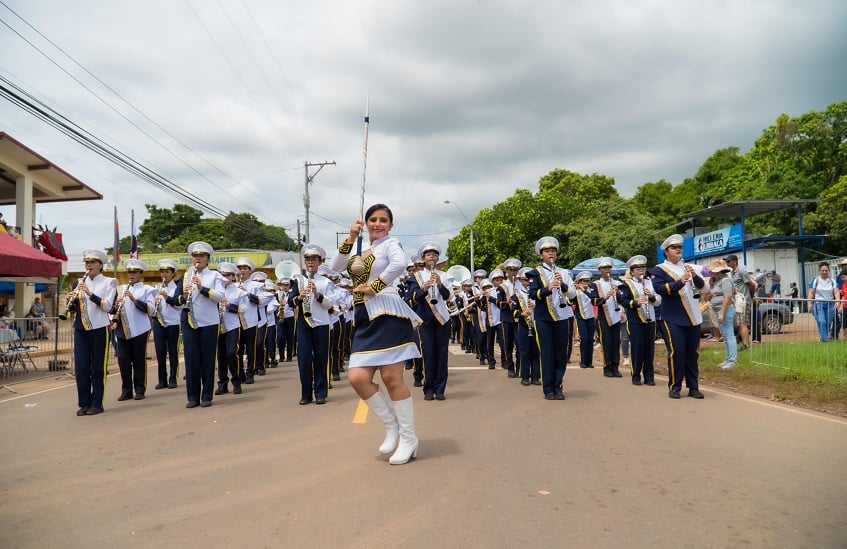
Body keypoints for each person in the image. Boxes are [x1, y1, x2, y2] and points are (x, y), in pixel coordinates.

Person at [329, 203, 423, 465]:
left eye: (383, 220)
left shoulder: (391, 244)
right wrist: (350, 238)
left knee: (392, 378)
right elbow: (336, 267)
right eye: (373, 219)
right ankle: (392, 426)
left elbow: (399, 265)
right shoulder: (358, 246)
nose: (377, 224)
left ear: (391, 225)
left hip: (388, 313)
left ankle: (408, 437)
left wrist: (375, 285)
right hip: (363, 317)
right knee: (357, 377)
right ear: (366, 222)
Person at [650, 234, 706, 399]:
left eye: (679, 247)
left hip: (693, 317)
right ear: (667, 251)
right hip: (673, 317)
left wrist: (694, 276)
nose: (678, 250)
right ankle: (675, 386)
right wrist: (681, 282)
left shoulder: (689, 267)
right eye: (674, 248)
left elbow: (704, 289)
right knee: (677, 352)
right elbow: (661, 289)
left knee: (692, 352)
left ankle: (693, 386)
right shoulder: (659, 270)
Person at [290, 244, 344, 405]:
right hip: (303, 324)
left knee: (321, 358)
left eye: (314, 259)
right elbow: (290, 303)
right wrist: (299, 297)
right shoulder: (297, 280)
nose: (310, 262)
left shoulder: (326, 282)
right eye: (307, 259)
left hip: (321, 324)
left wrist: (317, 294)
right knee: (304, 359)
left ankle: (320, 392)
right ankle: (306, 394)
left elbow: (330, 306)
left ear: (320, 262)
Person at [66, 249, 117, 416]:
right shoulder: (78, 283)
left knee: (97, 367)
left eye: (92, 262)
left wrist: (89, 293)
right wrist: (70, 302)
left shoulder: (109, 282)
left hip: (99, 328)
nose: (88, 265)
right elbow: (75, 309)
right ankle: (84, 403)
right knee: (81, 367)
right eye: (87, 263)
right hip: (81, 328)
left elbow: (108, 306)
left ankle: (97, 403)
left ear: (100, 265)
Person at [527, 236, 576, 400]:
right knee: (547, 353)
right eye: (547, 251)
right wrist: (548, 288)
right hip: (543, 318)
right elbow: (533, 294)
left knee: (561, 354)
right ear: (541, 255)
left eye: (553, 251)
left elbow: (573, 294)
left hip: (562, 317)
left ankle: (558, 386)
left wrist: (562, 285)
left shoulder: (564, 272)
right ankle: (548, 388)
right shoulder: (534, 273)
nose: (551, 254)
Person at [179, 241, 225, 408]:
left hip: (209, 323)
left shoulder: (215, 276)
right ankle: (192, 397)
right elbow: (176, 300)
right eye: (195, 256)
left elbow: (220, 297)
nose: (197, 258)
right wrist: (183, 296)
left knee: (207, 360)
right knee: (191, 360)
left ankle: (206, 396)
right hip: (189, 321)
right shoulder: (185, 276)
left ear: (207, 259)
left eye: (201, 256)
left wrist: (202, 288)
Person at [405, 242, 454, 400]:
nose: (431, 256)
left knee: (442, 354)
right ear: (423, 259)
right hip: (425, 320)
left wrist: (439, 284)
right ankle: (428, 389)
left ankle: (440, 389)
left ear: (438, 258)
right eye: (428, 254)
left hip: (442, 319)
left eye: (434, 254)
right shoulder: (416, 277)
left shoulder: (444, 276)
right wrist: (424, 289)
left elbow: (448, 297)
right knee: (428, 354)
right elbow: (411, 299)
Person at [113, 259, 155, 402]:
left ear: (140, 274)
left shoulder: (147, 289)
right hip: (122, 329)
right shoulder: (120, 289)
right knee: (123, 360)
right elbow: (112, 309)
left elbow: (151, 309)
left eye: (134, 272)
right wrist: (116, 305)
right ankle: (126, 390)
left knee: (138, 360)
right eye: (129, 272)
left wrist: (135, 300)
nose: (131, 274)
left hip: (140, 329)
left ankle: (139, 389)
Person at [619, 255, 661, 386]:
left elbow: (658, 301)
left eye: (643, 268)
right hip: (635, 320)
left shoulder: (650, 282)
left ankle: (649, 376)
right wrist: (636, 302)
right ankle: (636, 375)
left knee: (649, 349)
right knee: (637, 348)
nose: (641, 271)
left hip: (650, 319)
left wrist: (652, 296)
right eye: (638, 269)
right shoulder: (626, 284)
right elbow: (624, 301)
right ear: (632, 271)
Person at [215, 262, 247, 395]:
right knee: (221, 356)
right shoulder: (216, 290)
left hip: (233, 326)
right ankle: (222, 384)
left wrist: (229, 306)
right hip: (218, 325)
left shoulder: (239, 292)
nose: (224, 277)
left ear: (233, 277)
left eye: (227, 275)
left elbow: (243, 309)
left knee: (231, 353)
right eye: (222, 275)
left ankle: (237, 380)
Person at [152, 259, 182, 389]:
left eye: (167, 272)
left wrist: (166, 298)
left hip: (173, 322)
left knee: (173, 352)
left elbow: (179, 306)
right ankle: (162, 379)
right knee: (160, 352)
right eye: (162, 272)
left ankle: (173, 378)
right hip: (158, 321)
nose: (164, 274)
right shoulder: (157, 287)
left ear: (172, 273)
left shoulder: (176, 288)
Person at [594, 257, 623, 378]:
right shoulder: (596, 284)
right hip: (603, 316)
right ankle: (607, 367)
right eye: (604, 268)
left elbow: (624, 299)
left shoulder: (617, 283)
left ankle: (615, 366)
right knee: (606, 342)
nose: (607, 270)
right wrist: (605, 297)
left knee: (616, 342)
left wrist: (618, 294)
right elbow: (593, 301)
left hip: (616, 315)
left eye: (609, 267)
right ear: (599, 270)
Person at [512, 267, 540, 385]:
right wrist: (521, 313)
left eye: (530, 280)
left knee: (536, 351)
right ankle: (524, 376)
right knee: (524, 351)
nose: (528, 282)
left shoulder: (537, 293)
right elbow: (513, 311)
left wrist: (535, 307)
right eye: (525, 280)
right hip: (524, 325)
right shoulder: (517, 295)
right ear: (521, 281)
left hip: (536, 323)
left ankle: (535, 376)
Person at [708, 259, 737, 369]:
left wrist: (721, 312)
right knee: (725, 335)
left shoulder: (726, 281)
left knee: (729, 335)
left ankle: (732, 360)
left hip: (725, 310)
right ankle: (729, 358)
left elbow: (728, 297)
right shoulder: (718, 281)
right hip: (719, 310)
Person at [725, 254, 759, 348]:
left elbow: (751, 285)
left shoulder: (742, 272)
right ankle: (742, 341)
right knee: (739, 323)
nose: (727, 263)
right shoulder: (732, 273)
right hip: (737, 301)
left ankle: (746, 344)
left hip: (743, 301)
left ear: (735, 261)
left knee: (742, 323)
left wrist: (750, 297)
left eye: (728, 261)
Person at [808, 262, 841, 342]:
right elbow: (811, 292)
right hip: (819, 304)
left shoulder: (832, 281)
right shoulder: (815, 280)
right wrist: (809, 303)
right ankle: (826, 340)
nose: (824, 272)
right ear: (819, 271)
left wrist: (838, 302)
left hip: (830, 304)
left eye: (826, 270)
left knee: (828, 322)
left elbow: (836, 292)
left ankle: (823, 339)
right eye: (822, 270)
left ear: (828, 271)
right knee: (821, 321)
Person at [572, 270, 597, 369]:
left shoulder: (590, 290)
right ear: (579, 282)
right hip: (580, 317)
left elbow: (593, 298)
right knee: (585, 338)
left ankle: (589, 362)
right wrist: (574, 288)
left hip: (590, 316)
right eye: (584, 281)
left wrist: (585, 290)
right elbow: (570, 301)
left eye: (588, 281)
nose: (586, 283)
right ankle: (583, 361)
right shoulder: (576, 292)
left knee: (591, 339)